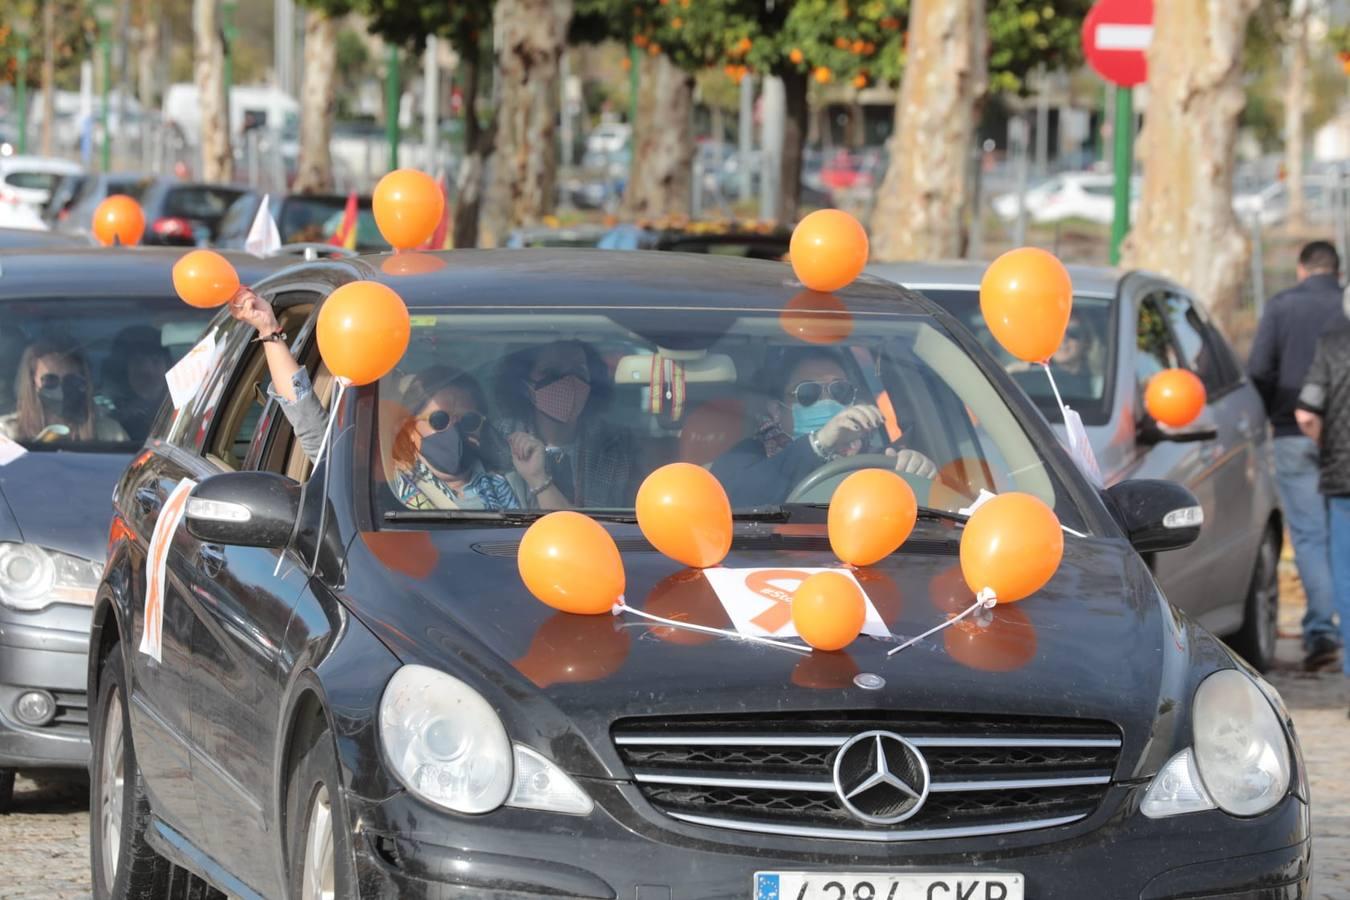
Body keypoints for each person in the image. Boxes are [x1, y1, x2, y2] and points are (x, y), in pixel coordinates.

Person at [228, 288, 564, 510]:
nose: (456, 431)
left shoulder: (506, 481)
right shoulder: (377, 479)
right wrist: (270, 331)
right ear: (408, 425)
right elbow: (305, 412)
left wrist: (537, 477)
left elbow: (562, 544)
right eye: (440, 419)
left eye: (470, 421)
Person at [1249, 240, 1347, 671]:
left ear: (1301, 268)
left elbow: (1259, 369)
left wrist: (1271, 415)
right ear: (1337, 271)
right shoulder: (1342, 307)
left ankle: (1322, 631)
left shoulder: (1281, 306)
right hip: (1343, 438)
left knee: (1309, 536)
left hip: (1293, 432)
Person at [710, 348, 938, 507]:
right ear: (777, 410)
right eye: (808, 393)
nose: (827, 402)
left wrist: (916, 472)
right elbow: (733, 501)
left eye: (840, 391)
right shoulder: (747, 456)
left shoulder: (878, 461)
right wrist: (820, 443)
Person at [494, 340, 641, 508]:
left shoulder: (618, 446)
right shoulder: (499, 440)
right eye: (551, 373)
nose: (569, 382)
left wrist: (539, 480)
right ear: (524, 386)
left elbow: (632, 521)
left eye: (578, 372)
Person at [1295, 319, 1350, 709]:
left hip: (1344, 477)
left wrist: (1325, 445)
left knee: (1347, 581)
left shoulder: (1333, 345)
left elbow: (1307, 413)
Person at [0, 338, 127, 442]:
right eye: (50, 379)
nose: (61, 388)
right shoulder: (6, 433)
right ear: (32, 383)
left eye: (71, 379)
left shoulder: (110, 433)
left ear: (84, 382)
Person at [104, 326, 172, 442]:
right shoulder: (109, 425)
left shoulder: (182, 414)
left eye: (155, 361)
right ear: (124, 371)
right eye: (138, 362)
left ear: (168, 366)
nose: (147, 370)